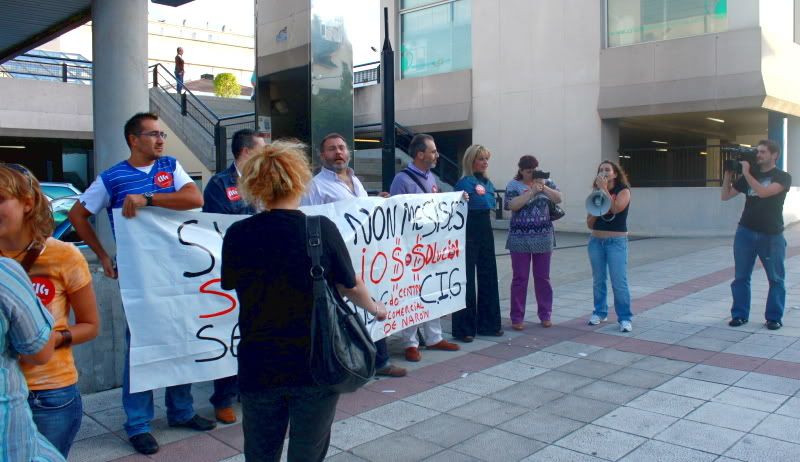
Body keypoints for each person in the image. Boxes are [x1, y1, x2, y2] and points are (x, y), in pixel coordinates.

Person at [221, 140, 388, 461]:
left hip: (259, 364)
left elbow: (231, 283)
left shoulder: (238, 234)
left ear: (255, 184)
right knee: (307, 453)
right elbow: (350, 285)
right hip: (316, 362)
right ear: (298, 179)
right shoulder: (319, 228)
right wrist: (376, 309)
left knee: (259, 452)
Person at [68, 112, 212, 455]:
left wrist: (148, 200)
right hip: (140, 277)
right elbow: (77, 215)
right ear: (134, 139)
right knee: (142, 347)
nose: (161, 140)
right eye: (153, 135)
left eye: (162, 134)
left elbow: (195, 199)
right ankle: (137, 424)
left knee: (181, 338)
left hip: (177, 271)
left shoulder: (171, 167)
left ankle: (181, 410)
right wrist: (103, 256)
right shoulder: (112, 178)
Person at [0, 163, 100, 457]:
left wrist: (52, 340)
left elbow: (91, 325)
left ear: (28, 203)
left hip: (50, 394)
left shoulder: (63, 255)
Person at [301, 133, 406, 378]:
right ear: (322, 155)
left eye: (341, 148)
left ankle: (380, 360)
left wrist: (375, 202)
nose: (338, 153)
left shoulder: (354, 180)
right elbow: (309, 219)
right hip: (336, 259)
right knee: (344, 311)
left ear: (348, 152)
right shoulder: (315, 186)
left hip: (366, 257)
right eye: (331, 149)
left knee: (372, 302)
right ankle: (346, 364)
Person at [201, 129, 266, 425]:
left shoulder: (264, 181)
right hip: (233, 269)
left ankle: (249, 387)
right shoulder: (220, 184)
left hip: (264, 267)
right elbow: (220, 225)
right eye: (261, 150)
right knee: (230, 330)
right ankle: (223, 398)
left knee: (256, 331)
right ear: (246, 152)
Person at [389, 133, 461, 362]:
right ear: (420, 154)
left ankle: (434, 337)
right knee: (410, 292)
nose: (436, 155)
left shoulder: (431, 178)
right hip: (410, 247)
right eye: (432, 151)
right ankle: (410, 342)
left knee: (434, 288)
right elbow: (394, 214)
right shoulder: (401, 180)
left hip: (430, 246)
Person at [721, 139, 792, 330]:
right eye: (757, 152)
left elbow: (763, 192)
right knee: (741, 277)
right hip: (746, 231)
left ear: (774, 155)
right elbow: (725, 195)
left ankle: (774, 317)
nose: (758, 155)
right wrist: (728, 173)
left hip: (771, 235)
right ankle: (739, 315)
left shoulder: (783, 177)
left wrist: (746, 172)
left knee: (776, 278)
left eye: (762, 152)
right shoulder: (749, 175)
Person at [0, 257, 65, 462]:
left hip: (54, 388)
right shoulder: (6, 274)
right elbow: (39, 350)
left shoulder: (62, 256)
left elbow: (90, 325)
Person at [504, 155, 562, 330]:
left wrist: (543, 187)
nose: (532, 174)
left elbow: (558, 198)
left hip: (543, 237)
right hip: (519, 238)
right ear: (521, 170)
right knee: (520, 278)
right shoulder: (513, 185)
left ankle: (545, 315)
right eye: (528, 171)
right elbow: (512, 205)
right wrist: (532, 192)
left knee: (543, 278)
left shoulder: (546, 182)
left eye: (534, 170)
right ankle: (517, 317)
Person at [452, 145, 503, 341]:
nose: (484, 162)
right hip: (468, 230)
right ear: (471, 160)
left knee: (489, 274)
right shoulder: (464, 183)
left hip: (485, 229)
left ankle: (489, 324)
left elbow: (489, 203)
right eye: (481, 158)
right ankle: (464, 328)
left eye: (486, 159)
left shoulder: (487, 182)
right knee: (466, 279)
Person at [586, 160, 633, 332]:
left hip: (616, 242)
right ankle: (599, 312)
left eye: (607, 169)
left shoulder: (623, 191)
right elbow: (590, 223)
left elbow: (615, 208)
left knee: (618, 281)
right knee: (598, 280)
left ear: (615, 173)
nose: (604, 172)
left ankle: (625, 317)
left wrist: (604, 190)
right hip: (596, 241)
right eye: (601, 170)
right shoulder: (595, 193)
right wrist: (595, 212)